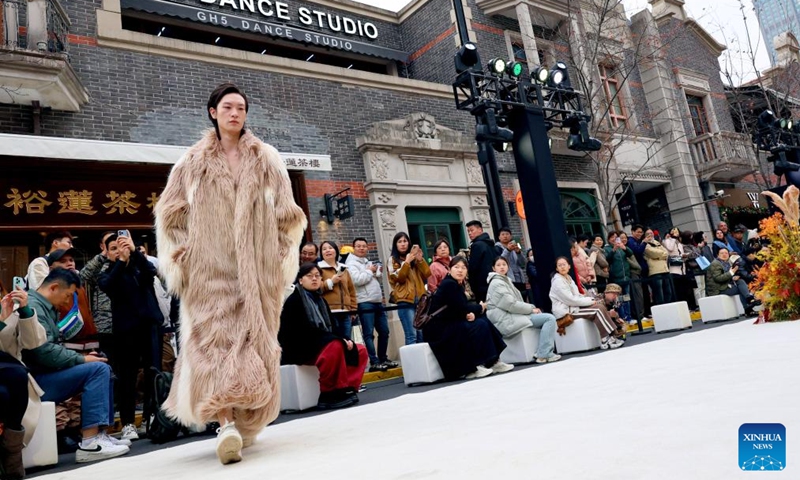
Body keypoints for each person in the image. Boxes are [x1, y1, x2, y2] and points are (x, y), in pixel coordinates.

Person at [154, 83, 307, 464]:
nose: (235, 113)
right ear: (213, 112)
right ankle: (225, 424)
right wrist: (181, 254)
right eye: (227, 107)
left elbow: (288, 214)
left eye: (240, 107)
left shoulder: (267, 159)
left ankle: (243, 421)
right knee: (216, 344)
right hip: (209, 270)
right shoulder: (192, 162)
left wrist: (281, 254)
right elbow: (169, 214)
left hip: (258, 271)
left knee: (255, 344)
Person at [22, 269, 130, 463]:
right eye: (68, 295)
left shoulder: (44, 306)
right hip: (34, 382)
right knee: (97, 369)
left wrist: (84, 357)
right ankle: (90, 443)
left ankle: (99, 434)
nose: (68, 301)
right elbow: (42, 351)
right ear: (54, 287)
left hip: (41, 376)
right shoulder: (34, 306)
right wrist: (81, 359)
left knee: (101, 364)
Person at [98, 233, 164, 443]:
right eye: (114, 248)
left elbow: (151, 271)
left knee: (153, 372)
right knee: (127, 377)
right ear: (107, 252)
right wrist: (121, 262)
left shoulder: (139, 266)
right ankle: (127, 423)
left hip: (149, 326)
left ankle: (152, 416)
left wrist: (135, 253)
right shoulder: (108, 272)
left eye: (123, 246)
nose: (120, 251)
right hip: (125, 331)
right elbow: (108, 286)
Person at [279, 263, 368, 409]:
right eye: (309, 276)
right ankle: (329, 393)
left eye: (317, 276)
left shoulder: (321, 300)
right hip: (300, 347)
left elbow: (333, 327)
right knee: (334, 346)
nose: (314, 279)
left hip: (319, 343)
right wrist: (337, 340)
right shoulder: (294, 301)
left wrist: (345, 340)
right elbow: (302, 332)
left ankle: (347, 388)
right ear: (300, 280)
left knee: (359, 350)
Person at [423, 256, 511, 380]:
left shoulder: (456, 284)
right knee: (478, 325)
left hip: (449, 322)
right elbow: (461, 308)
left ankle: (493, 361)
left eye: (464, 268)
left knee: (482, 322)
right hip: (438, 330)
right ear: (449, 270)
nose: (460, 270)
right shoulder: (449, 284)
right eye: (456, 267)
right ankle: (472, 368)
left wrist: (471, 313)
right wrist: (480, 307)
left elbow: (459, 309)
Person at [1, 286, 46, 479]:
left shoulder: (10, 308)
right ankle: (10, 455)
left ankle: (12, 451)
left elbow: (34, 342)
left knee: (18, 377)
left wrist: (25, 310)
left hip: (10, 373)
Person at [486, 257, 560, 364]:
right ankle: (543, 353)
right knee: (549, 318)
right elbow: (510, 304)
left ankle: (543, 351)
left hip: (511, 316)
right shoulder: (497, 283)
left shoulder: (504, 280)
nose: (502, 267)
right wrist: (531, 309)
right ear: (493, 268)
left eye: (504, 264)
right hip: (507, 320)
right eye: (498, 265)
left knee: (545, 317)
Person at [549, 257, 624, 350]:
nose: (562, 267)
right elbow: (570, 300)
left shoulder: (569, 278)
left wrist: (590, 299)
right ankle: (606, 339)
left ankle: (610, 337)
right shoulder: (558, 281)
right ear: (556, 268)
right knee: (597, 309)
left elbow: (577, 296)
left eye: (564, 264)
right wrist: (590, 301)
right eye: (559, 265)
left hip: (574, 308)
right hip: (567, 312)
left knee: (599, 306)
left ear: (569, 266)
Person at [346, 238, 396, 372]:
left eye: (364, 246)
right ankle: (374, 362)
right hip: (364, 302)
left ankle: (383, 358)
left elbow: (376, 279)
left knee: (384, 331)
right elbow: (356, 280)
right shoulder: (351, 263)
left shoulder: (368, 262)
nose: (362, 248)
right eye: (358, 246)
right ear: (354, 248)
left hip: (377, 301)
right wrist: (369, 271)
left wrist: (376, 271)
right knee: (368, 334)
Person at [387, 232, 431, 345]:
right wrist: (406, 262)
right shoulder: (392, 260)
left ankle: (422, 362)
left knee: (421, 335)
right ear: (395, 245)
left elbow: (427, 274)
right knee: (412, 334)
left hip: (420, 300)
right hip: (405, 300)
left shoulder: (415, 259)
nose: (403, 244)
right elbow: (399, 278)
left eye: (405, 241)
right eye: (399, 242)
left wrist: (420, 260)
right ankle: (411, 362)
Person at [317, 241, 357, 339]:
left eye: (330, 248)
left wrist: (353, 309)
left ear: (336, 251)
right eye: (324, 249)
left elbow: (351, 290)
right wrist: (331, 281)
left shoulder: (344, 269)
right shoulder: (318, 269)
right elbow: (317, 288)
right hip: (329, 312)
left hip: (346, 312)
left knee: (347, 341)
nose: (327, 251)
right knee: (334, 341)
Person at [705, 248, 759, 314]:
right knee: (741, 289)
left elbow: (726, 276)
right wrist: (731, 273)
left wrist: (733, 277)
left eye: (726, 253)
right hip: (717, 289)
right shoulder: (715, 264)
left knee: (740, 281)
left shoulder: (726, 263)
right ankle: (748, 305)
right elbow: (718, 278)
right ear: (718, 255)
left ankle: (749, 302)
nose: (724, 255)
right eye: (722, 253)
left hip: (724, 285)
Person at [604, 231, 634, 325]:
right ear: (609, 239)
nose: (614, 238)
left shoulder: (621, 247)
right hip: (616, 278)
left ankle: (628, 317)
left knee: (626, 298)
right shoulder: (607, 248)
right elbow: (607, 259)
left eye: (616, 237)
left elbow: (630, 253)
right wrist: (614, 250)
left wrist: (624, 248)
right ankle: (622, 318)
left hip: (625, 277)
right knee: (618, 300)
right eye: (612, 237)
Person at [466, 220, 498, 302]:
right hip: (494, 282)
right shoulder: (490, 243)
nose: (469, 233)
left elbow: (473, 268)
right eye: (468, 231)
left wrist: (472, 286)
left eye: (472, 230)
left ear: (480, 230)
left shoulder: (477, 245)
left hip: (482, 286)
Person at [495, 227, 528, 299]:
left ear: (511, 236)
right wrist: (508, 250)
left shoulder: (516, 245)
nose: (505, 236)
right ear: (499, 237)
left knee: (523, 298)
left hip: (520, 279)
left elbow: (523, 263)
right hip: (508, 279)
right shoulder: (497, 248)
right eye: (503, 234)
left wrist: (518, 252)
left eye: (507, 234)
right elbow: (500, 261)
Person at [643, 229, 674, 306]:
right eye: (648, 233)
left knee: (668, 291)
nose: (650, 234)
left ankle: (668, 306)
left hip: (665, 269)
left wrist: (659, 256)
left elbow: (666, 253)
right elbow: (652, 253)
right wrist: (662, 255)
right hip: (655, 271)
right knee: (658, 292)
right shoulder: (645, 244)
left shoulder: (657, 242)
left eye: (651, 233)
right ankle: (660, 307)